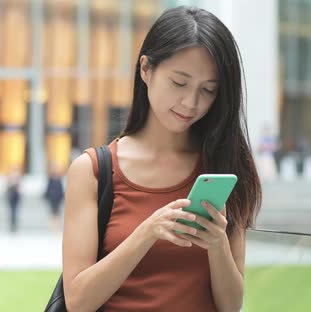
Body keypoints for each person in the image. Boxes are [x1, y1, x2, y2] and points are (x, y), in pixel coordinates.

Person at [62, 7, 261, 311]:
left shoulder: (224, 166)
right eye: (179, 83)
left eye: (208, 91)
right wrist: (148, 231)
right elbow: (78, 302)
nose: (191, 103)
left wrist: (217, 243)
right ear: (146, 69)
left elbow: (231, 306)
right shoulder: (92, 171)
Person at [44, 161, 65, 233]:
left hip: (58, 198)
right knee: (53, 212)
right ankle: (53, 227)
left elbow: (61, 188)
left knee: (58, 212)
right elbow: (48, 188)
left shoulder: (59, 178)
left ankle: (57, 227)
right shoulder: (51, 178)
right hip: (52, 198)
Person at [6, 165, 22, 233]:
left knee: (14, 211)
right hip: (11, 195)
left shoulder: (18, 177)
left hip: (16, 196)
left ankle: (14, 225)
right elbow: (8, 185)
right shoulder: (10, 176)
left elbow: (19, 187)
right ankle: (12, 225)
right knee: (12, 211)